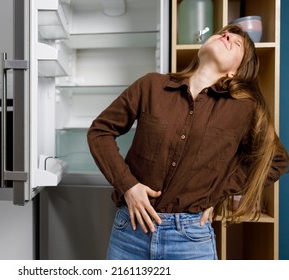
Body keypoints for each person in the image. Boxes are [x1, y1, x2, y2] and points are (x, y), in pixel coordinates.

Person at [87, 24, 289, 260]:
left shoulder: (245, 110)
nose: (227, 36)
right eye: (224, 33)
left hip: (190, 241)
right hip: (129, 230)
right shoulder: (151, 85)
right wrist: (128, 185)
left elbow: (276, 160)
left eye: (236, 43)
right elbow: (99, 132)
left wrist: (216, 193)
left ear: (235, 72)